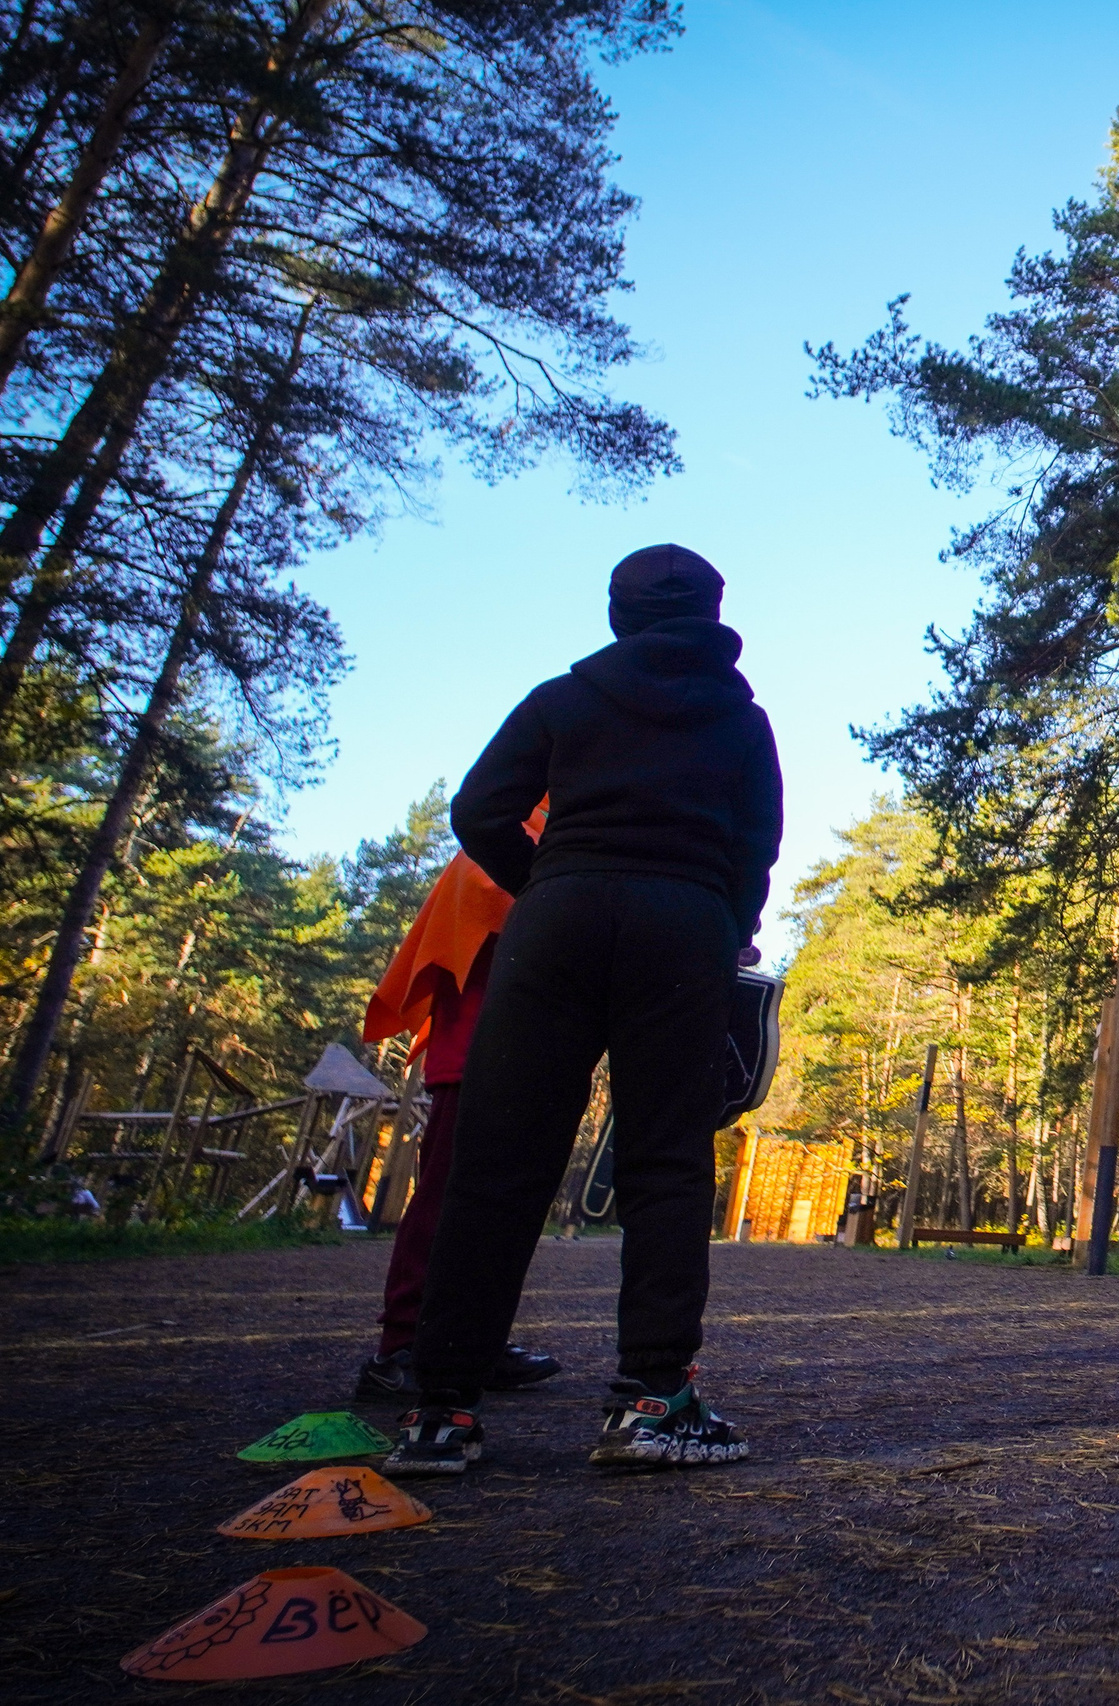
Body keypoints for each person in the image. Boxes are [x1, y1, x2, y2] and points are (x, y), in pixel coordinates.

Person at [384, 544, 784, 1477]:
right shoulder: (743, 723)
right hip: (683, 926)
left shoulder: (563, 699)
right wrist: (725, 924)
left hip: (557, 921)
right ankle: (652, 1402)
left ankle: (441, 1411)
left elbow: (481, 808)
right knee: (667, 1164)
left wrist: (546, 884)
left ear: (618, 614)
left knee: (499, 1159)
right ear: (716, 613)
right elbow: (757, 847)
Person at [354, 822, 564, 1400]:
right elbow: (486, 896)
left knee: (507, 1206)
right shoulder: (523, 817)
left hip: (532, 1050)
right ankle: (400, 1345)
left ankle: (471, 1341)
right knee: (449, 1197)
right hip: (476, 1047)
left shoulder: (574, 818)